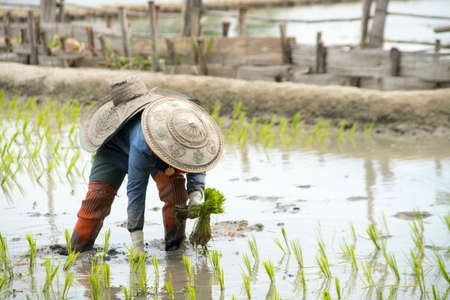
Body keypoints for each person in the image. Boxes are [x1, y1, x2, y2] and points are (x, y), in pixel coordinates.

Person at [70, 77, 224, 254]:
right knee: (97, 201)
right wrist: (137, 241)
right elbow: (136, 189)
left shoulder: (187, 124)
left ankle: (175, 247)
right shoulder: (142, 143)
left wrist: (196, 194)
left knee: (176, 194)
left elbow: (196, 158)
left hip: (162, 148)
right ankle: (77, 249)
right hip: (113, 152)